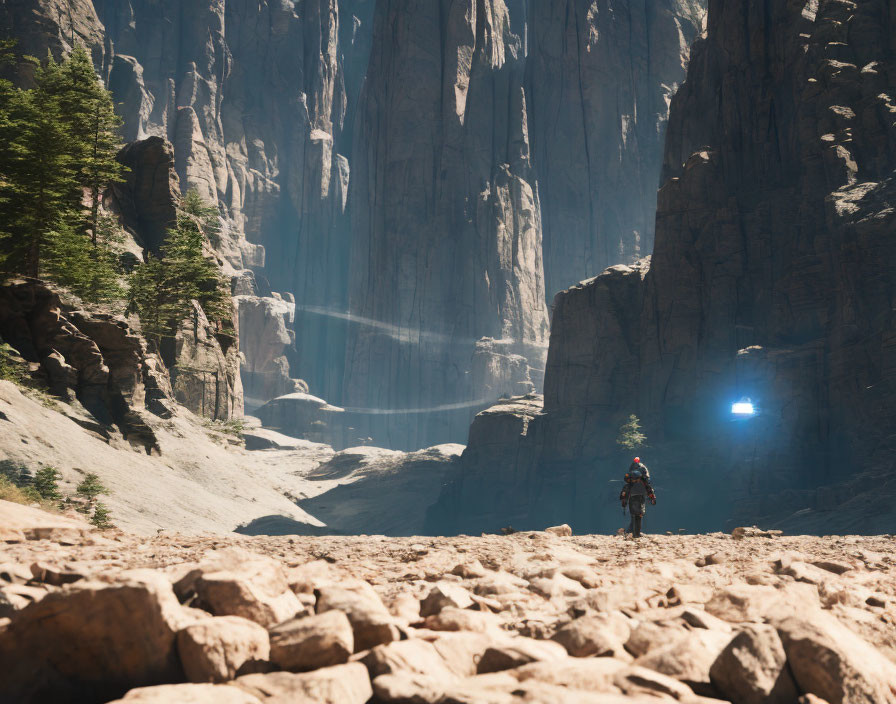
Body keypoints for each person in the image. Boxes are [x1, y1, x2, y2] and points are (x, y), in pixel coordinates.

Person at [620, 457, 656, 539]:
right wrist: (652, 497)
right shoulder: (643, 470)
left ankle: (633, 532)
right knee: (639, 514)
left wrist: (624, 500)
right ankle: (635, 533)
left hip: (634, 495)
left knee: (635, 514)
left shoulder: (632, 471)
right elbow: (648, 485)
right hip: (641, 495)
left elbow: (627, 489)